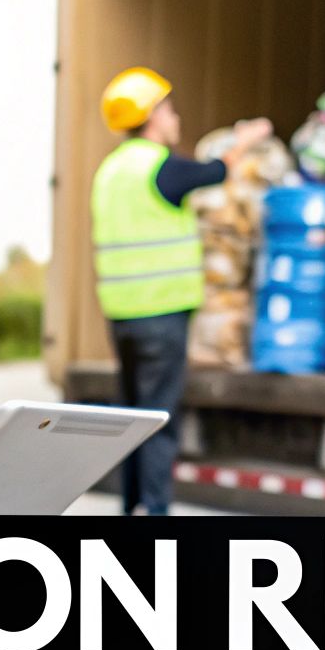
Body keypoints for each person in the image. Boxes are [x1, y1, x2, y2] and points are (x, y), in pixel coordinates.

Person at [91, 67, 272, 515]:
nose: (174, 118)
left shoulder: (110, 171)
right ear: (152, 115)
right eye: (168, 108)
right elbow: (215, 170)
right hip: (161, 314)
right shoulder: (159, 167)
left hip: (122, 316)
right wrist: (246, 140)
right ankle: (153, 513)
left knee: (131, 418)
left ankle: (130, 507)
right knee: (157, 421)